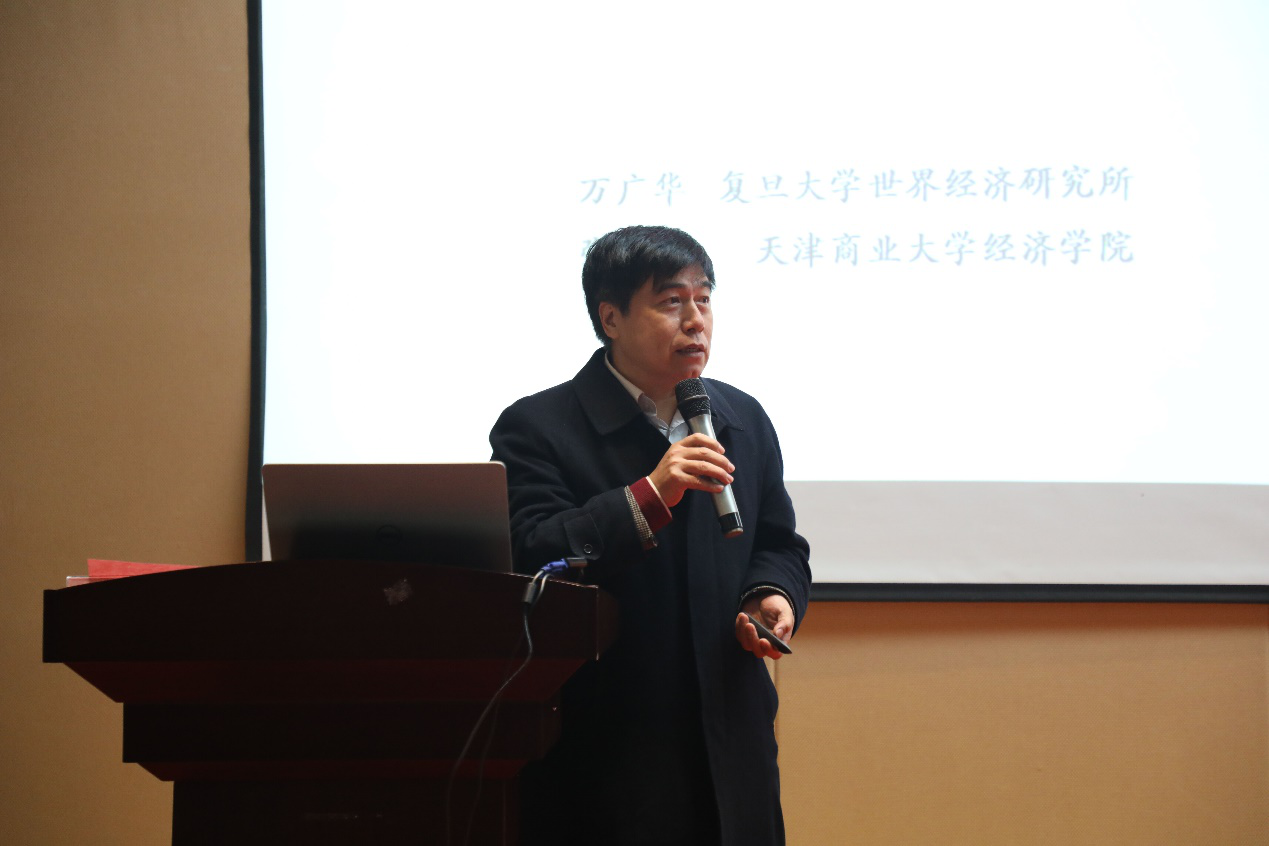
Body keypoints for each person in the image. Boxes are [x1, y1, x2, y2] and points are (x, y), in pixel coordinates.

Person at [489, 225, 811, 846]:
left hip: (731, 733)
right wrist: (648, 494)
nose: (695, 321)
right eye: (671, 302)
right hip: (606, 743)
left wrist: (770, 593)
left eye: (704, 299)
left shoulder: (742, 419)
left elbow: (778, 541)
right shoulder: (537, 426)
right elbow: (531, 549)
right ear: (610, 317)